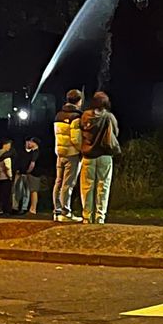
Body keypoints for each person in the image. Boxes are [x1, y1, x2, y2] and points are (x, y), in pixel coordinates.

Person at [79, 91, 120, 224]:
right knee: (103, 186)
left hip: (88, 155)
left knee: (87, 186)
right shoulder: (109, 117)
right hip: (105, 155)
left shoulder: (85, 116)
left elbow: (81, 131)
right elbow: (115, 133)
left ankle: (87, 216)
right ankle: (100, 217)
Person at [52, 90, 85, 222]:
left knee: (58, 182)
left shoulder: (58, 115)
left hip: (60, 153)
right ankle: (66, 212)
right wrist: (82, 151)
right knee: (68, 184)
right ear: (79, 101)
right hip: (72, 153)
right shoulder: (75, 117)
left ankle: (57, 211)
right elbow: (76, 139)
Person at [14, 138, 42, 215]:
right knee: (31, 191)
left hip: (34, 174)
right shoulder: (34, 152)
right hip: (33, 174)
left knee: (33, 191)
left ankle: (33, 209)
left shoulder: (36, 152)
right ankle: (31, 208)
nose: (29, 143)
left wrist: (27, 171)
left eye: (31, 142)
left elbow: (32, 164)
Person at [0, 139, 14, 215]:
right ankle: (6, 210)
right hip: (5, 178)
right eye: (9, 145)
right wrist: (10, 176)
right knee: (6, 195)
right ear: (5, 145)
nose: (9, 147)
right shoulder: (7, 155)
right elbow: (8, 167)